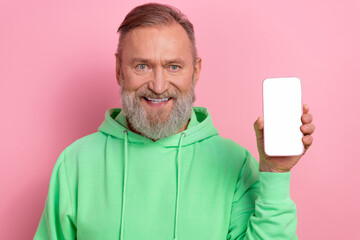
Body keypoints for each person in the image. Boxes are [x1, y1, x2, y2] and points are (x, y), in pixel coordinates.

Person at [34, 3, 315, 240]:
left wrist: (275, 175)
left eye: (173, 66)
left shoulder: (236, 164)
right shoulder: (74, 164)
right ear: (119, 70)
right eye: (142, 66)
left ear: (195, 73)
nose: (158, 85)